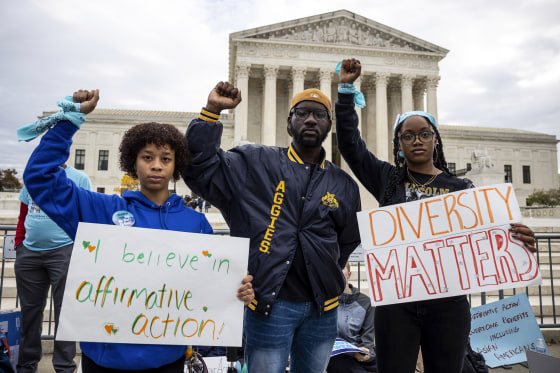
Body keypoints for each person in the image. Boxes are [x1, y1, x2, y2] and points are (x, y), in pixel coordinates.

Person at [22, 89, 254, 372]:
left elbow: (210, 289)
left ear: (176, 165)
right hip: (104, 360)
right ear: (133, 162)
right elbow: (40, 179)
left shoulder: (196, 225)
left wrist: (238, 290)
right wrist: (70, 120)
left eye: (166, 159)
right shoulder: (101, 211)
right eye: (147, 157)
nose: (156, 165)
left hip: (167, 361)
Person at [334, 58, 537, 373]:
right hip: (396, 302)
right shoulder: (388, 180)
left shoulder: (461, 187)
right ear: (398, 145)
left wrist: (518, 242)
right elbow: (350, 145)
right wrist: (346, 91)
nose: (417, 140)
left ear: (435, 140)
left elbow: (488, 238)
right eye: (408, 135)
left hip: (449, 304)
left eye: (424, 134)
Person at [184, 82, 361, 373]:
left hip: (323, 310)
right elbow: (200, 169)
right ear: (289, 122)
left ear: (330, 125)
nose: (311, 119)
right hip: (269, 305)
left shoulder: (343, 185)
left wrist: (327, 269)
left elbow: (346, 240)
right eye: (302, 113)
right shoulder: (254, 163)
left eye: (320, 114)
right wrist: (212, 112)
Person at [14, 164, 91, 373]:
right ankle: (26, 366)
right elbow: (23, 213)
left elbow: (86, 215)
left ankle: (64, 367)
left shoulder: (80, 178)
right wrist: (19, 244)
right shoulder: (32, 176)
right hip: (29, 253)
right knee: (30, 314)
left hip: (64, 252)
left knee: (65, 314)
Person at [327, 262, 376, 373]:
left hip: (359, 352)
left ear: (349, 274)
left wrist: (367, 354)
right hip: (336, 355)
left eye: (342, 267)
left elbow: (367, 337)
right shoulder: (326, 301)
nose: (338, 271)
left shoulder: (366, 302)